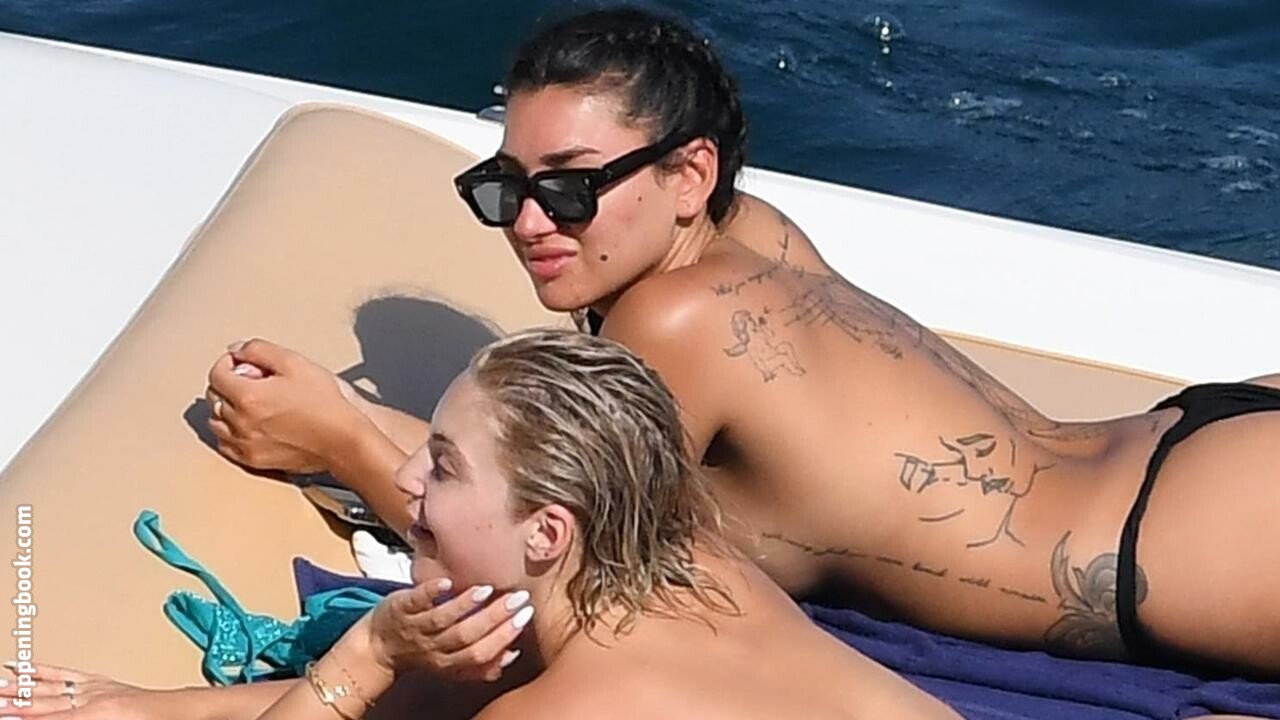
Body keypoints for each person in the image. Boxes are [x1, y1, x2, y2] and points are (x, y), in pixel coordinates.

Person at [202, 7, 1280, 678]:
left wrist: (343, 437)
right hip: (1186, 456)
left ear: (689, 175)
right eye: (504, 186)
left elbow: (569, 565)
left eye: (569, 187)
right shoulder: (748, 235)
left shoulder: (673, 319)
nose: (530, 221)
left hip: (1176, 545)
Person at [3, 330, 959, 719]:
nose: (404, 476)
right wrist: (143, 709)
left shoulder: (568, 707)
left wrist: (365, 651)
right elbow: (443, 690)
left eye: (444, 464)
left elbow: (404, 690)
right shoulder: (679, 567)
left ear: (548, 534)